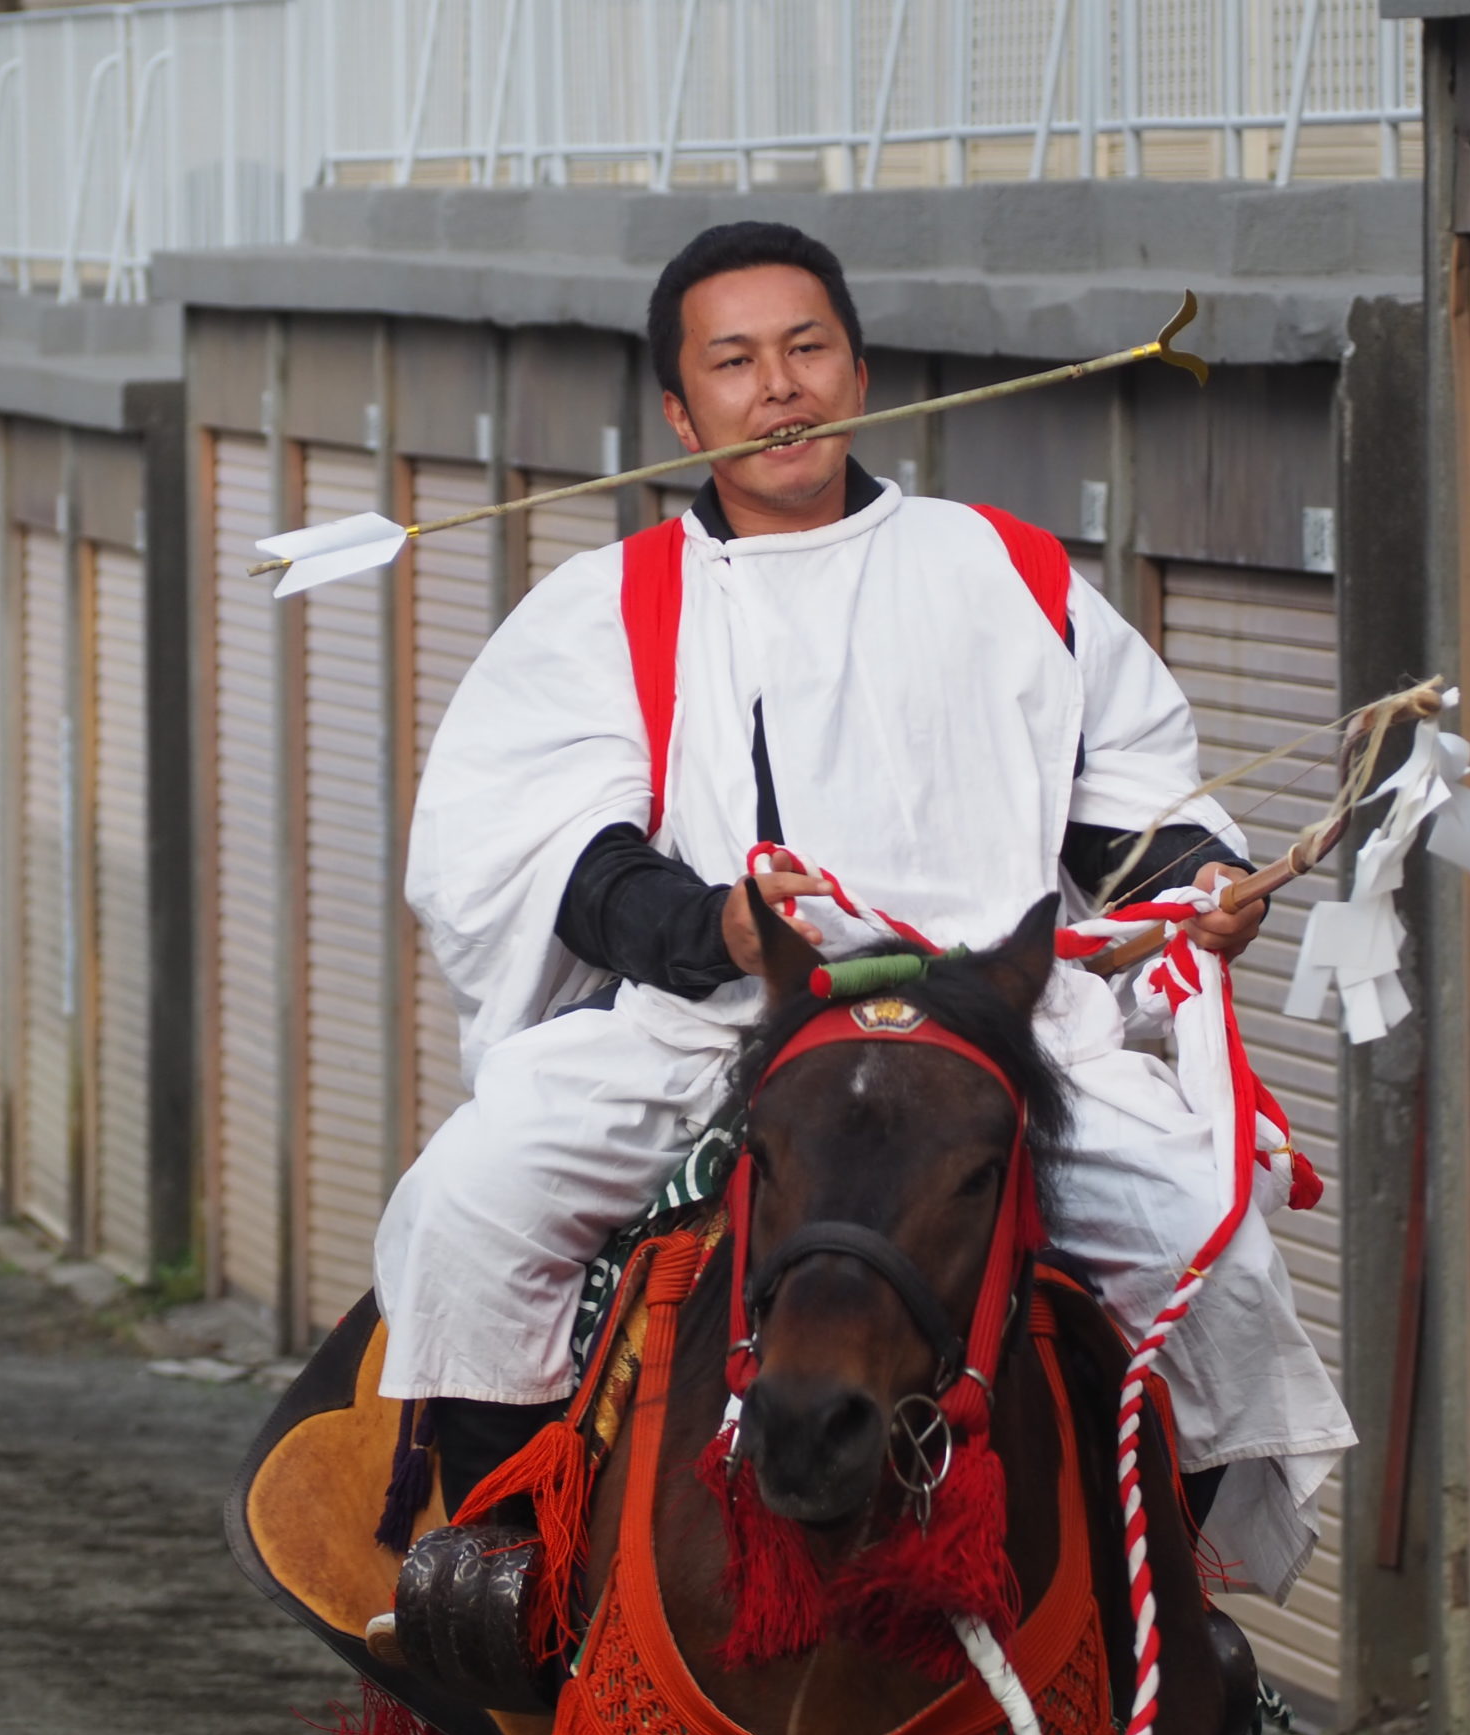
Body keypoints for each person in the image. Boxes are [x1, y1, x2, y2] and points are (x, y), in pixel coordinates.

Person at [374, 223, 1353, 1598]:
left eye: (806, 349)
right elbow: (554, 856)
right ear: (678, 408)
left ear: (862, 370)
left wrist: (1194, 890)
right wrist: (713, 922)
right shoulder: (609, 608)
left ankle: (1158, 1603)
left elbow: (1119, 806)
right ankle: (502, 1564)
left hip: (993, 1040)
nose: (779, 388)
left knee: (1213, 1236)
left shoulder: (1003, 570)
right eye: (734, 362)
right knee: (468, 1205)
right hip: (716, 1037)